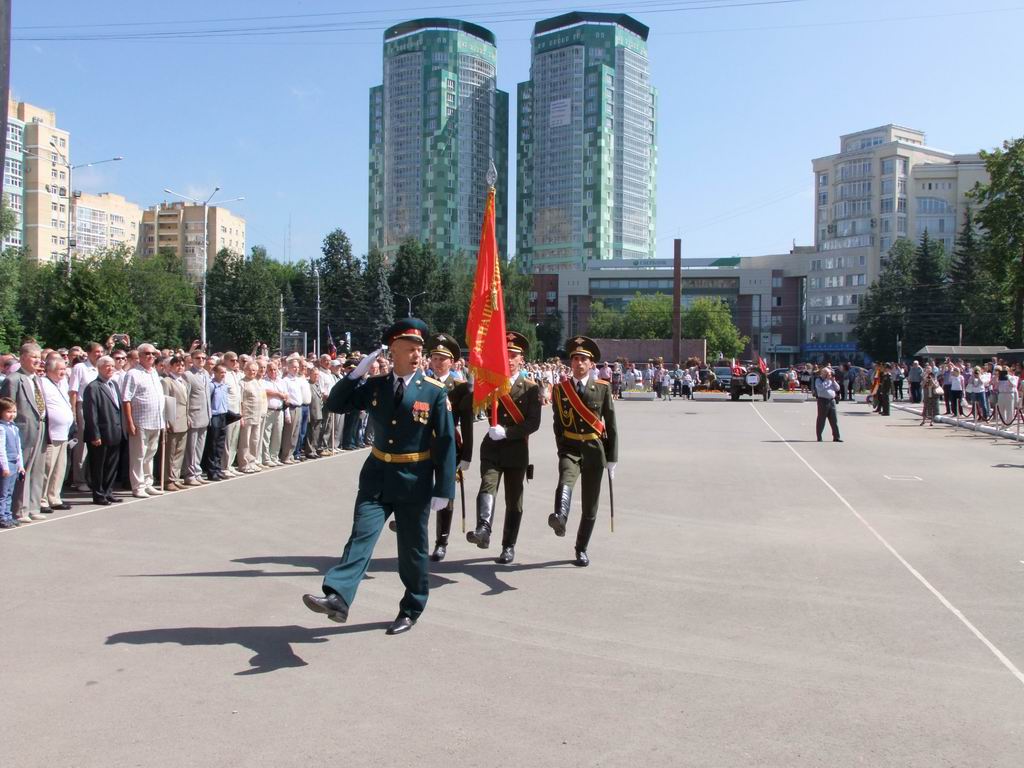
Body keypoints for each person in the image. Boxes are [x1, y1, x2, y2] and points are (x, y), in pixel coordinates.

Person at [303, 318, 456, 636]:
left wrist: (444, 489)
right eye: (409, 349)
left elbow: (445, 441)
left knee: (412, 549)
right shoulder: (376, 386)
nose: (417, 355)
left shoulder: (434, 391)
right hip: (377, 475)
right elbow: (336, 404)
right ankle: (338, 597)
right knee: (361, 535)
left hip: (414, 478)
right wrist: (355, 375)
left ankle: (412, 607)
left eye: (419, 350)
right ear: (393, 352)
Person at [467, 331, 541, 565]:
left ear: (521, 359)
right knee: (487, 484)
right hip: (492, 447)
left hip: (516, 449)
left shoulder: (530, 388)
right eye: (505, 353)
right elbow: (473, 402)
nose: (508, 358)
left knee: (514, 500)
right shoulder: (491, 382)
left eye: (513, 354)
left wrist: (507, 432)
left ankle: (508, 546)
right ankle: (483, 528)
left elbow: (533, 423)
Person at [549, 336, 618, 566]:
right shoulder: (560, 390)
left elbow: (611, 425)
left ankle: (581, 548)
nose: (578, 363)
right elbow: (558, 424)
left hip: (594, 450)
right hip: (570, 447)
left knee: (590, 504)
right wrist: (562, 448)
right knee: (565, 479)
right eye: (575, 359)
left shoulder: (602, 388)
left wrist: (612, 458)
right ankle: (560, 516)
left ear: (591, 364)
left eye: (583, 359)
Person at [424, 333, 474, 562]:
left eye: (442, 359)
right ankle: (415, 533)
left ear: (452, 362)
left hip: (449, 448)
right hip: (423, 446)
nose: (437, 362)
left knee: (446, 494)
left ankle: (441, 542)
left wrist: (467, 454)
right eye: (434, 358)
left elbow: (467, 424)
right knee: (418, 489)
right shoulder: (422, 383)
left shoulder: (460, 388)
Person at [0, 343, 47, 523]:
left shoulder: (37, 379)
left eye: (39, 357)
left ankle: (34, 506)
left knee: (37, 469)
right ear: (22, 358)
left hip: (40, 427)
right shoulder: (13, 380)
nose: (38, 360)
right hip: (22, 430)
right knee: (22, 470)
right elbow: (6, 407)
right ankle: (19, 509)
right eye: (34, 357)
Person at [122, 343, 167, 498]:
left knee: (150, 455)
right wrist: (129, 422)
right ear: (140, 356)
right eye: (147, 353)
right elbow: (126, 399)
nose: (151, 356)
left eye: (153, 354)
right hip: (140, 421)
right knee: (138, 456)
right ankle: (138, 486)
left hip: (156, 421)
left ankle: (148, 483)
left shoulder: (154, 372)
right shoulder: (133, 373)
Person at [82, 356, 125, 506]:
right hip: (100, 433)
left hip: (115, 431)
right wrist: (95, 434)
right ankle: (99, 494)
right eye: (107, 366)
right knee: (98, 466)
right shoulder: (93, 387)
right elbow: (90, 413)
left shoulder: (114, 384)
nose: (110, 368)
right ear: (99, 368)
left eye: (112, 366)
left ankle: (108, 492)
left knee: (111, 466)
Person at [39, 353, 74, 511]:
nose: (63, 372)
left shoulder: (62, 383)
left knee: (60, 468)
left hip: (63, 433)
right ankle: (42, 499)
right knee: (48, 468)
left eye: (64, 369)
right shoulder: (42, 383)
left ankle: (54, 497)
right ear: (50, 370)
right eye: (60, 369)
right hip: (51, 434)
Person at [161, 355, 190, 490]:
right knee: (170, 453)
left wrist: (188, 417)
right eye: (177, 365)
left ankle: (176, 477)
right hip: (173, 421)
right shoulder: (167, 381)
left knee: (179, 452)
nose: (180, 367)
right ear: (171, 367)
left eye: (182, 365)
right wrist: (167, 421)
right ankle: (168, 479)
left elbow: (186, 403)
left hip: (183, 420)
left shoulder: (183, 381)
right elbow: (165, 402)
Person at [183, 349, 211, 486]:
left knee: (200, 447)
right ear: (192, 360)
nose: (201, 360)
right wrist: (187, 415)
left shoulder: (206, 373)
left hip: (205, 414)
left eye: (203, 358)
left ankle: (197, 472)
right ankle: (189, 474)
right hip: (193, 415)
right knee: (191, 448)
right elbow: (186, 397)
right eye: (198, 358)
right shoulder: (188, 375)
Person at [0, 397, 25, 528]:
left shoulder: (14, 428)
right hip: (7, 464)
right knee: (3, 493)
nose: (12, 415)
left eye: (14, 411)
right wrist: (4, 467)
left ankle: (8, 515)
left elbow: (18, 448)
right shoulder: (1, 428)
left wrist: (20, 465)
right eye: (8, 412)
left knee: (10, 492)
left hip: (14, 463)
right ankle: (2, 517)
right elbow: (1, 449)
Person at [813, 366, 842, 442]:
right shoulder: (818, 380)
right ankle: (819, 437)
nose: (829, 374)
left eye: (829, 373)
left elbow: (837, 388)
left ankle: (836, 437)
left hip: (832, 401)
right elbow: (820, 388)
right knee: (821, 419)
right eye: (828, 373)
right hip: (823, 401)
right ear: (823, 373)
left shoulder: (831, 380)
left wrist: (833, 381)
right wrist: (826, 380)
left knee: (834, 420)